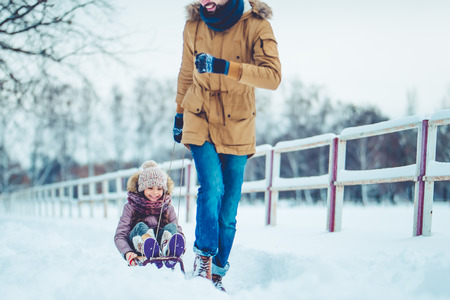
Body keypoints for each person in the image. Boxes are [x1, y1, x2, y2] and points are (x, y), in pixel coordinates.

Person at [173, 0, 281, 290]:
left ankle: (218, 272)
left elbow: (272, 77)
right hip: (200, 114)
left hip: (237, 121)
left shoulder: (257, 24)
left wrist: (224, 67)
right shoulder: (193, 24)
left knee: (229, 207)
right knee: (212, 187)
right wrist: (179, 114)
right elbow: (186, 73)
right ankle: (203, 259)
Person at [114, 160, 185, 268]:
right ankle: (148, 247)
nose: (155, 193)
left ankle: (168, 250)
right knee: (141, 226)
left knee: (172, 227)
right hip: (138, 242)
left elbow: (178, 231)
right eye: (150, 188)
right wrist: (127, 252)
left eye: (159, 189)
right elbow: (120, 235)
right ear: (142, 188)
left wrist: (180, 244)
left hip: (160, 242)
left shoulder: (167, 208)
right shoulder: (131, 207)